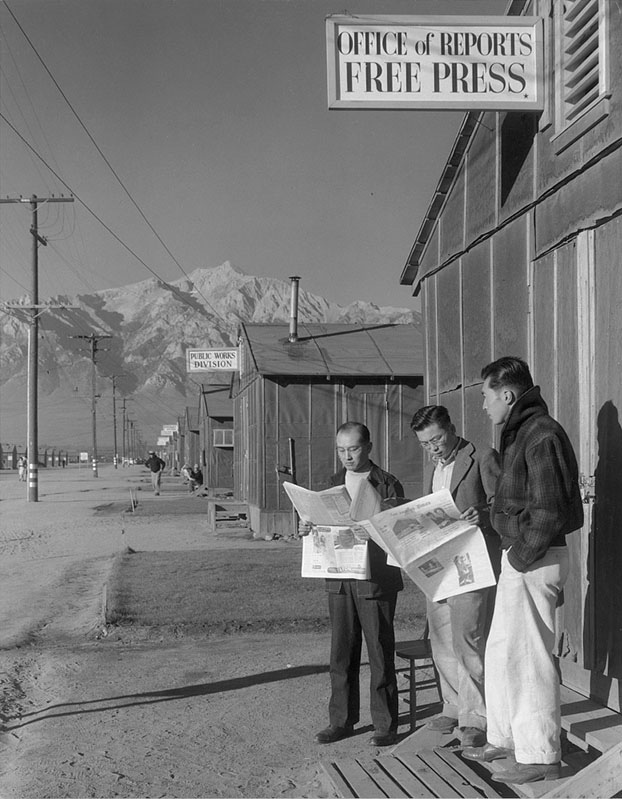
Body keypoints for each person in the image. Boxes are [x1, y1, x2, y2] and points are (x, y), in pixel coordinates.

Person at [463, 356, 583, 784]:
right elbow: (521, 501)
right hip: (523, 556)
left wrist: (518, 556)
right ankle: (506, 737)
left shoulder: (540, 434)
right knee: (501, 651)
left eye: (485, 397)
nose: (483, 406)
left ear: (508, 395)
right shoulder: (523, 433)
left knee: (529, 657)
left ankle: (539, 755)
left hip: (535, 557)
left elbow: (548, 510)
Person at [299, 421, 404, 747]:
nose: (347, 456)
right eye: (341, 449)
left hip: (375, 580)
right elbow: (319, 523)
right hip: (339, 578)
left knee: (379, 652)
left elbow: (401, 529)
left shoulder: (387, 484)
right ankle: (340, 721)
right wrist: (306, 528)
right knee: (341, 653)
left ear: (369, 447)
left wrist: (374, 531)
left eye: (353, 448)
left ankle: (385, 725)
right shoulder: (331, 484)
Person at [410, 406, 500, 749]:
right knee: (441, 638)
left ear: (452, 428)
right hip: (438, 565)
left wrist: (485, 514)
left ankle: (476, 718)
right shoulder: (433, 466)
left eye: (437, 439)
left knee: (469, 640)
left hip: (471, 564)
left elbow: (504, 502)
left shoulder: (481, 457)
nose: (433, 448)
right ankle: (452, 705)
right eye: (424, 443)